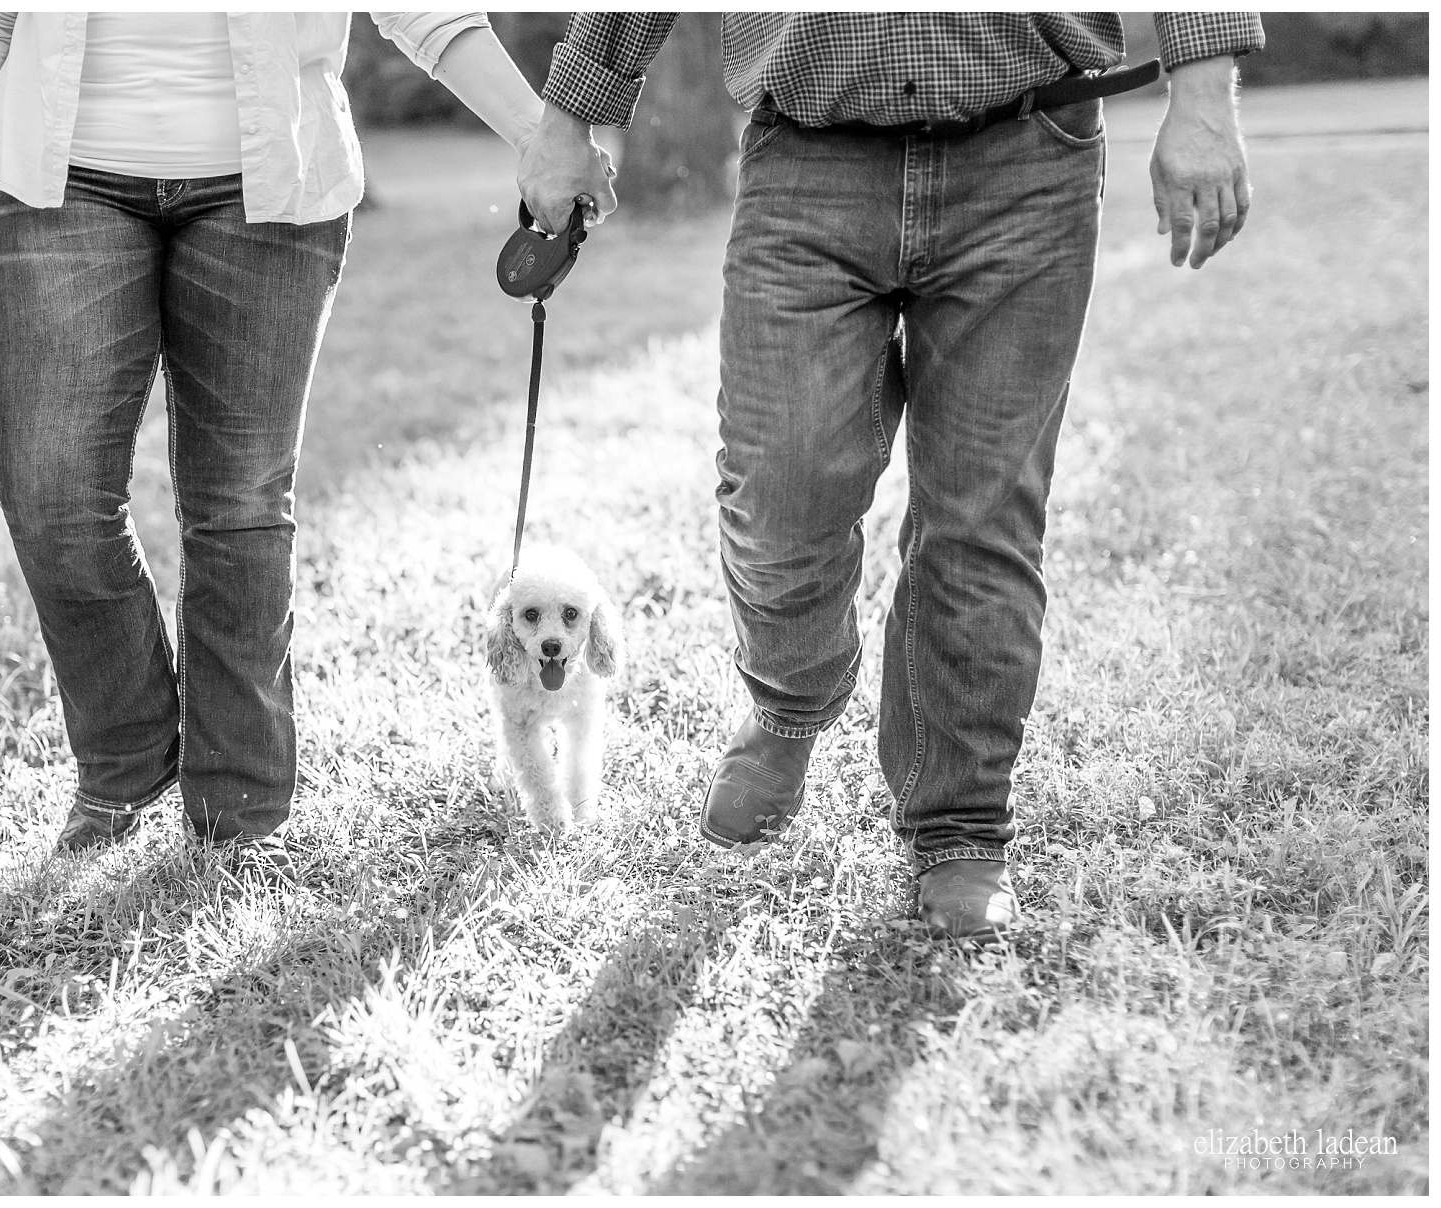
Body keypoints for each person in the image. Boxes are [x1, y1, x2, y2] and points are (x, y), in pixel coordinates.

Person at [517, 13, 1263, 939]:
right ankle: (791, 707)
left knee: (982, 518)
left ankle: (958, 822)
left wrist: (1200, 91)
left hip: (1027, 153)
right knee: (776, 488)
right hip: (809, 160)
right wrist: (568, 116)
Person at [0, 13, 583, 869]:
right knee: (49, 487)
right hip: (58, 187)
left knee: (241, 502)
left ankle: (239, 806)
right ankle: (131, 753)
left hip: (272, 195)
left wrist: (537, 138)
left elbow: (429, 12)